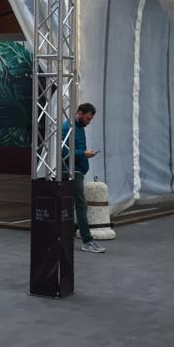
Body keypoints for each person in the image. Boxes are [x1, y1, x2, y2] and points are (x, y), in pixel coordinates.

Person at [62, 102, 105, 254]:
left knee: (75, 203)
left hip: (77, 170)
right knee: (80, 203)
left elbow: (74, 150)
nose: (88, 122)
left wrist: (85, 155)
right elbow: (64, 152)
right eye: (87, 119)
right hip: (72, 171)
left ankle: (76, 238)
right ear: (79, 113)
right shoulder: (68, 127)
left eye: (90, 119)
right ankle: (87, 241)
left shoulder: (78, 127)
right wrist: (84, 154)